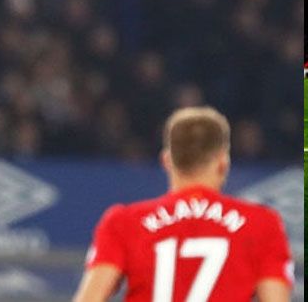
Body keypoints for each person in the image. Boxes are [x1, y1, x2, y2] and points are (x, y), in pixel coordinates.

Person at [73, 106, 293, 302]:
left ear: (167, 161)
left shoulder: (124, 222)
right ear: (223, 162)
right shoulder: (262, 224)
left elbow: (91, 297)